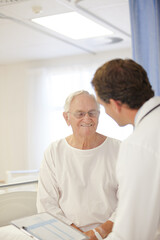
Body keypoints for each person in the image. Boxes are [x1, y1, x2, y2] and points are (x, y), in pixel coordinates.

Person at [37, 90, 121, 240]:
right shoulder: (54, 151)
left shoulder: (119, 149)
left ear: (99, 116)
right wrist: (76, 234)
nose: (87, 118)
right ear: (66, 117)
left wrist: (98, 233)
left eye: (92, 113)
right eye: (80, 114)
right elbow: (46, 204)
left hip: (111, 233)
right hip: (65, 233)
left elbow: (128, 200)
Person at [91, 58, 160, 240]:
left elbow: (131, 233)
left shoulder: (138, 145)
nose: (105, 113)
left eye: (103, 105)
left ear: (115, 104)